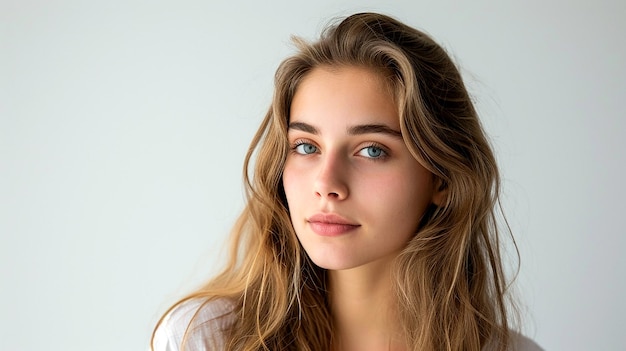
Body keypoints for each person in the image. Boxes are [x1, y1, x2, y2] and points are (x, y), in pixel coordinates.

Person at [151, 12, 542, 351]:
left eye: (372, 150)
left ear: (442, 178)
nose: (326, 183)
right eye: (306, 146)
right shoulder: (203, 339)